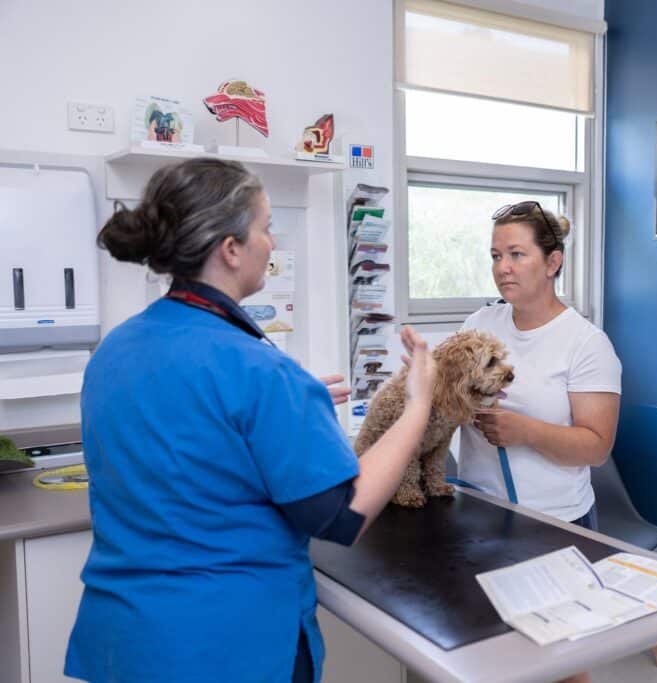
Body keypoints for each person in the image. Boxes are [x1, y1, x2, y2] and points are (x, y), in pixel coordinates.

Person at [64, 158, 436, 683]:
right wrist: (417, 407)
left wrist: (293, 411)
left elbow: (190, 440)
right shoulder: (259, 371)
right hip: (228, 649)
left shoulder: (114, 349)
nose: (272, 242)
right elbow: (341, 517)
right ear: (231, 248)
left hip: (127, 642)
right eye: (265, 227)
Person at [458, 201, 622, 532]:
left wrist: (525, 431)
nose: (503, 267)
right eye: (495, 256)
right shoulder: (478, 324)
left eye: (516, 254)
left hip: (555, 522)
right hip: (476, 510)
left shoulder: (586, 343)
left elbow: (596, 448)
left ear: (553, 262)